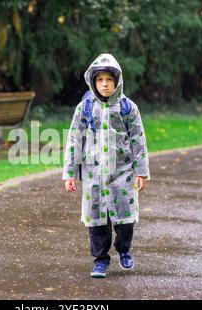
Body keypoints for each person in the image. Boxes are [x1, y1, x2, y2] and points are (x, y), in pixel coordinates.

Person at [62, 53, 150, 278]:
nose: (104, 84)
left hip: (122, 172)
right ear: (93, 82)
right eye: (100, 80)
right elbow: (75, 139)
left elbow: (138, 139)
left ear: (116, 81)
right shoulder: (84, 108)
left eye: (109, 80)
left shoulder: (127, 107)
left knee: (124, 217)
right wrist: (70, 173)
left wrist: (140, 171)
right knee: (97, 218)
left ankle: (124, 249)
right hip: (93, 173)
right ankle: (100, 259)